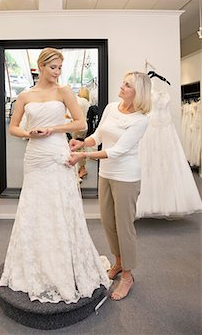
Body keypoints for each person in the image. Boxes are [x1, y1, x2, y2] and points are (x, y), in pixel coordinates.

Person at [0, 48, 111, 303]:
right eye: (53, 67)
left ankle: (63, 263)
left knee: (60, 205)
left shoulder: (64, 92)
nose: (58, 72)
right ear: (40, 66)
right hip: (35, 156)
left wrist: (52, 129)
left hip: (56, 152)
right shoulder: (25, 96)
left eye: (60, 67)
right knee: (35, 206)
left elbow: (80, 124)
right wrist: (30, 134)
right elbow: (14, 128)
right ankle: (36, 261)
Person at [68, 72, 151, 301]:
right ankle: (118, 262)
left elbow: (119, 150)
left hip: (126, 176)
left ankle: (127, 275)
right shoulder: (111, 108)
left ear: (138, 93)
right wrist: (83, 142)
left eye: (127, 85)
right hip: (106, 174)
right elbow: (99, 135)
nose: (122, 86)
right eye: (123, 82)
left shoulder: (141, 119)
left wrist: (83, 155)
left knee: (124, 226)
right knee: (108, 222)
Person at [72, 87, 90, 179]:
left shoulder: (80, 101)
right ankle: (82, 167)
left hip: (79, 127)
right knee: (81, 146)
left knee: (79, 147)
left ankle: (82, 168)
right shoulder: (86, 102)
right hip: (83, 126)